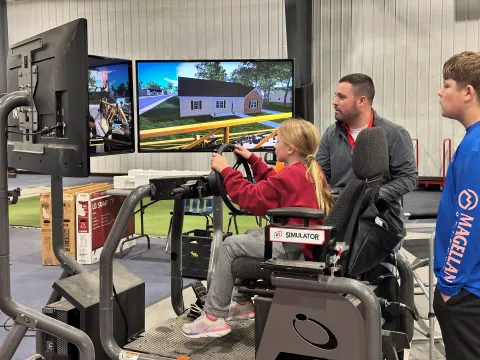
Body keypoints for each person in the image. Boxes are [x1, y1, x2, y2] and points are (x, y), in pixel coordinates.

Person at [181, 118, 334, 338]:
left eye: (278, 141)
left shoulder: (293, 174)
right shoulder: (308, 169)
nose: (275, 144)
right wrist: (253, 160)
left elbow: (253, 197)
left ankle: (214, 317)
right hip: (302, 241)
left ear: (290, 148)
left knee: (230, 245)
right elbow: (277, 183)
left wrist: (226, 171)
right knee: (251, 234)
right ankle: (242, 302)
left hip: (292, 246)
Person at [316, 73, 418, 238]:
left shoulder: (394, 134)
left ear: (361, 101)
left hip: (381, 227)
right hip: (339, 222)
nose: (334, 102)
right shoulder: (331, 134)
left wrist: (371, 197)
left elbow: (408, 178)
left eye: (341, 97)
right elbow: (321, 177)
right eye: (336, 96)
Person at [433, 51, 480, 360]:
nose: (440, 91)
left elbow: (468, 222)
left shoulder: (474, 149)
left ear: (467, 92)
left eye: (446, 84)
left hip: (467, 294)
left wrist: (449, 286)